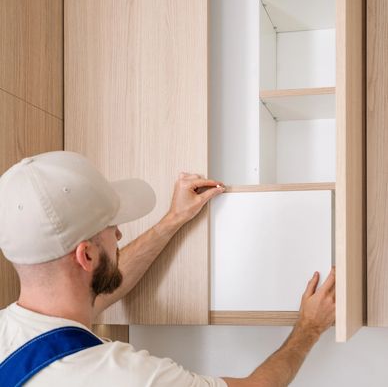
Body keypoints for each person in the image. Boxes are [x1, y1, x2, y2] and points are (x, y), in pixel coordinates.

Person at [0, 150, 335, 387]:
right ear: (86, 257)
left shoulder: (21, 331)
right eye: (111, 228)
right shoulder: (129, 377)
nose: (118, 234)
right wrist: (309, 329)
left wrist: (174, 219)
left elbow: (99, 291)